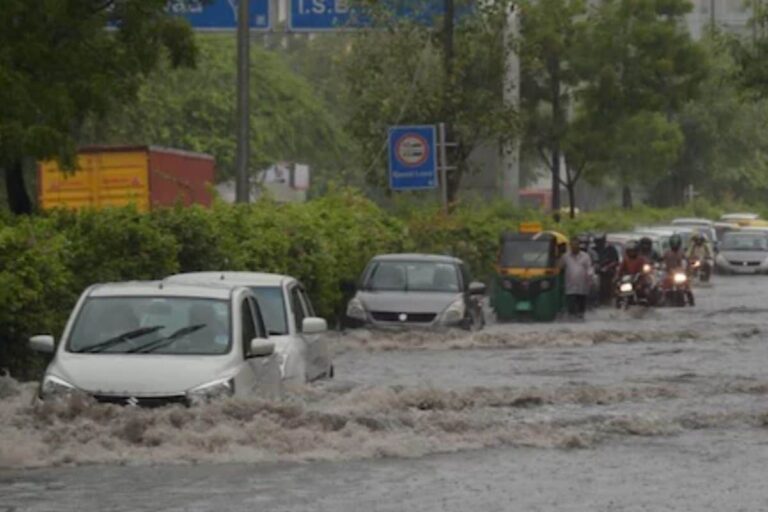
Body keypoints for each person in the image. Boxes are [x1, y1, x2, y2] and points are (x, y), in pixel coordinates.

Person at [559, 237, 594, 320]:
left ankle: (580, 318)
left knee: (581, 306)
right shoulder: (565, 257)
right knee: (571, 305)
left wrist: (590, 277)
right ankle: (572, 318)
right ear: (570, 246)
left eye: (576, 245)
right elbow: (560, 267)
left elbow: (589, 268)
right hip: (570, 285)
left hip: (582, 285)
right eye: (572, 245)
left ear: (579, 245)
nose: (574, 247)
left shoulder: (585, 256)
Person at [594, 234, 619, 305]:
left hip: (609, 273)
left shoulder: (611, 249)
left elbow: (616, 261)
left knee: (608, 286)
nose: (598, 244)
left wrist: (607, 267)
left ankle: (608, 300)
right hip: (597, 272)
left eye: (600, 242)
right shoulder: (595, 249)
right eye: (597, 242)